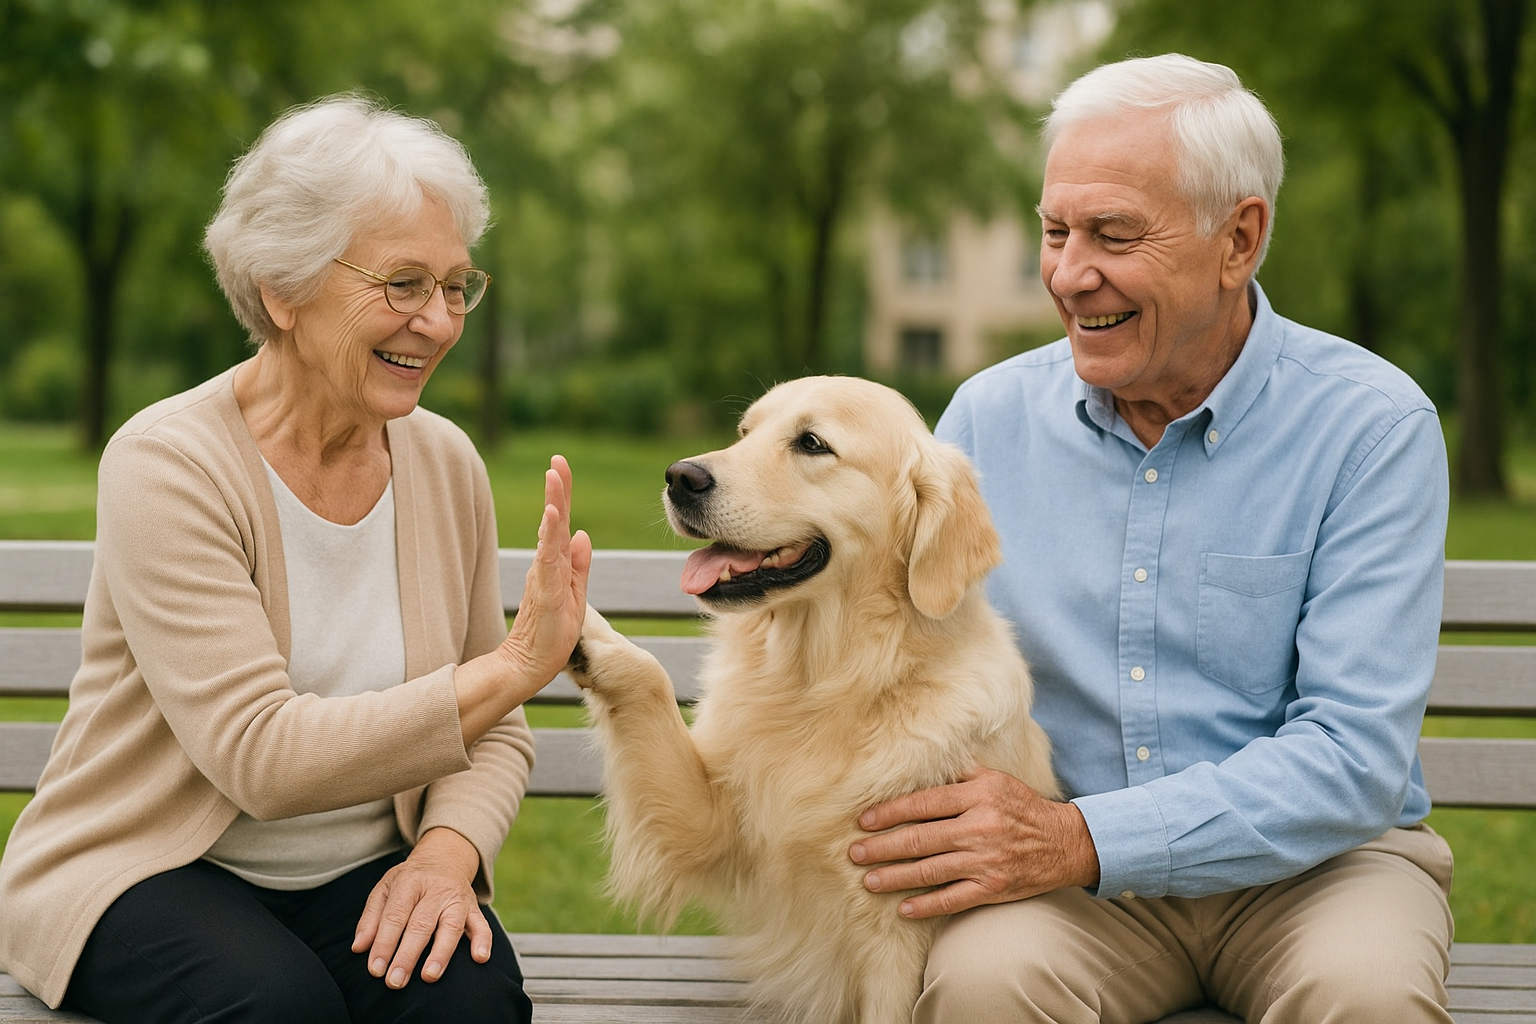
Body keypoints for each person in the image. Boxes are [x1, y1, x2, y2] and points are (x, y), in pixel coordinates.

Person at [848, 54, 1455, 1023]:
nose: (1069, 273)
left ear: (1239, 240)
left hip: (1320, 867)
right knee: (981, 986)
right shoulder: (986, 419)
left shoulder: (1372, 428)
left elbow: (1353, 756)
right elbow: (885, 637)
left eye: (1114, 234)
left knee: (1367, 996)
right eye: (1055, 231)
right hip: (1064, 880)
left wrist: (1086, 838)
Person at [0, 94, 592, 1023]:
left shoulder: (446, 463)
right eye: (403, 284)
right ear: (282, 288)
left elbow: (493, 732)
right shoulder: (168, 464)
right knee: (277, 1007)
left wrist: (446, 855)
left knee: (469, 1008)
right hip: (148, 864)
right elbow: (262, 758)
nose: (439, 322)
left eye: (455, 286)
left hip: (357, 871)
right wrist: (517, 665)